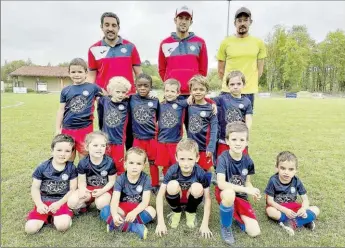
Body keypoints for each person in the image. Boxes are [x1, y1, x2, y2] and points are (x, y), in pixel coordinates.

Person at [155, 138, 212, 239]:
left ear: (197, 158)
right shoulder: (172, 170)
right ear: (176, 157)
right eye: (182, 159)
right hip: (177, 196)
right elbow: (160, 195)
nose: (186, 163)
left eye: (190, 159)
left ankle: (190, 212)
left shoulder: (200, 172)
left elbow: (207, 198)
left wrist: (205, 224)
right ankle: (176, 211)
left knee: (197, 187)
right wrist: (160, 223)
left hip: (191, 197)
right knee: (172, 185)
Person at [216, 122, 261, 245]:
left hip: (241, 196)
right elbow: (221, 184)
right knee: (230, 193)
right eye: (234, 139)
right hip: (224, 193)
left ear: (246, 142)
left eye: (242, 140)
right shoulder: (223, 158)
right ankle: (226, 226)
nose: (238, 143)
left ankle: (235, 216)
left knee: (254, 232)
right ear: (227, 141)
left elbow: (247, 182)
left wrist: (253, 190)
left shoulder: (248, 161)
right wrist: (246, 190)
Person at [25, 134, 77, 234]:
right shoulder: (42, 167)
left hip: (62, 202)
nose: (63, 154)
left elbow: (72, 189)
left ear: (71, 153)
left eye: (67, 151)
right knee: (30, 229)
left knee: (62, 226)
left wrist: (59, 203)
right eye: (59, 150)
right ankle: (47, 217)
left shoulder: (71, 168)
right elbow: (35, 188)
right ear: (52, 151)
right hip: (44, 202)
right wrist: (39, 204)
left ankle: (59, 218)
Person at [100, 147, 156, 240]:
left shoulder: (146, 179)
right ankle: (134, 227)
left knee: (152, 211)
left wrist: (134, 212)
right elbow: (114, 200)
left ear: (144, 165)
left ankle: (115, 225)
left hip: (138, 209)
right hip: (122, 209)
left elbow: (145, 202)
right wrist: (114, 214)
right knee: (105, 210)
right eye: (131, 163)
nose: (134, 166)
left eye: (138, 163)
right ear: (125, 163)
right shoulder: (120, 178)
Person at [217, 7, 267, 109]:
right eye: (239, 20)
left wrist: (248, 84)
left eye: (245, 20)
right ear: (235, 23)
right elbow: (220, 71)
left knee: (244, 124)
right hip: (228, 92)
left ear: (250, 22)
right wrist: (231, 85)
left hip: (248, 92)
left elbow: (260, 70)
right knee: (224, 124)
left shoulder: (258, 43)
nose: (242, 23)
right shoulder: (225, 42)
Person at [56, 58, 102, 161]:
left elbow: (107, 99)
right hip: (67, 129)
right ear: (69, 73)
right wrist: (57, 128)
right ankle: (70, 176)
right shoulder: (65, 90)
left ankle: (83, 176)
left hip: (85, 129)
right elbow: (61, 110)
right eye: (73, 72)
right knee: (68, 157)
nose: (76, 74)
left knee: (84, 158)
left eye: (80, 72)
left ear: (86, 72)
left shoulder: (93, 88)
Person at [265, 151, 320, 236]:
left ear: (296, 170)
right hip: (278, 208)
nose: (286, 172)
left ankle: (290, 222)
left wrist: (303, 209)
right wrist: (285, 210)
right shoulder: (273, 180)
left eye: (291, 169)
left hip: (293, 208)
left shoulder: (296, 181)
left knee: (316, 209)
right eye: (283, 168)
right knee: (270, 211)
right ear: (277, 168)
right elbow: (270, 201)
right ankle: (304, 221)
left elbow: (305, 199)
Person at [158, 5, 208, 98]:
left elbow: (203, 70)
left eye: (187, 19)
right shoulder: (165, 43)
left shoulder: (200, 42)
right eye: (180, 18)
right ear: (175, 20)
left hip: (193, 94)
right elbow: (162, 70)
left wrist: (196, 88)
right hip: (173, 94)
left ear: (191, 22)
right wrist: (171, 87)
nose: (183, 22)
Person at [87, 12, 142, 93]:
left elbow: (139, 73)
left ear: (118, 28)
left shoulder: (130, 47)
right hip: (104, 98)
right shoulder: (93, 49)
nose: (110, 29)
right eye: (107, 25)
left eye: (114, 25)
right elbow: (91, 77)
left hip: (128, 97)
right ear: (101, 27)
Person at [67, 131, 117, 214]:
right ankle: (85, 205)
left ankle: (102, 204)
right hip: (89, 190)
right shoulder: (83, 163)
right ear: (87, 147)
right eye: (95, 145)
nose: (99, 148)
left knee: (101, 204)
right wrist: (82, 190)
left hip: (104, 189)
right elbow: (82, 181)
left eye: (103, 145)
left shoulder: (110, 162)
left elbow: (112, 181)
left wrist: (102, 191)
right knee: (72, 202)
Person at [129, 73, 160, 193]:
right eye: (139, 85)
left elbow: (158, 118)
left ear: (151, 87)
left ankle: (155, 184)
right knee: (136, 161)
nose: (142, 88)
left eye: (146, 86)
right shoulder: (131, 99)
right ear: (135, 86)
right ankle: (135, 182)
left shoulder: (155, 100)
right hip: (137, 138)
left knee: (153, 162)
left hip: (152, 137)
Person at [212, 71, 252, 157]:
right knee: (222, 162)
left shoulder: (247, 102)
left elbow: (248, 118)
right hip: (224, 138)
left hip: (239, 138)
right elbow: (208, 101)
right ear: (228, 86)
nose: (235, 87)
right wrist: (213, 104)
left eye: (238, 84)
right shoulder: (222, 99)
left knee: (241, 161)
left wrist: (246, 133)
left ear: (243, 85)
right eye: (232, 84)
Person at [187, 75, 218, 184]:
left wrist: (211, 147)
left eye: (201, 89)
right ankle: (194, 184)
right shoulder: (189, 105)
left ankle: (206, 185)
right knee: (192, 166)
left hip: (205, 146)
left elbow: (214, 130)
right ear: (190, 90)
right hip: (192, 145)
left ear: (206, 91)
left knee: (206, 168)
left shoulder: (211, 109)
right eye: (195, 89)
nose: (198, 92)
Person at [98, 76, 132, 175]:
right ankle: (105, 182)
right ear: (111, 91)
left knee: (118, 164)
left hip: (119, 140)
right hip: (105, 140)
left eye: (123, 92)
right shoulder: (104, 100)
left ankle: (119, 184)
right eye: (118, 92)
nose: (121, 95)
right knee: (104, 162)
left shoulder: (127, 103)